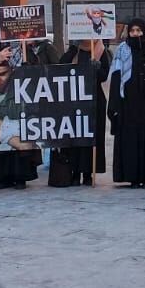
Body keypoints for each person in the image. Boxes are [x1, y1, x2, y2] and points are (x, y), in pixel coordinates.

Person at [108, 18, 145, 188]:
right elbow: (117, 77)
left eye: (139, 31)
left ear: (144, 31)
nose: (135, 34)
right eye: (132, 31)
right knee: (130, 140)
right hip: (129, 104)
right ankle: (132, 176)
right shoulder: (122, 50)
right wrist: (114, 105)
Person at [0, 49, 39, 190]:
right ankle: (2, 178)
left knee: (20, 148)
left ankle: (21, 178)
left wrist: (26, 51)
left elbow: (36, 69)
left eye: (2, 74)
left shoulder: (24, 50)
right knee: (0, 152)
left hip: (18, 115)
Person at [56, 39, 110, 185]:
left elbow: (104, 76)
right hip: (74, 99)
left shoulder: (100, 50)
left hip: (94, 98)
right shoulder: (75, 50)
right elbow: (61, 66)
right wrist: (73, 49)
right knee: (74, 135)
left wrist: (97, 67)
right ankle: (74, 172)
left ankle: (88, 173)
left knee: (91, 137)